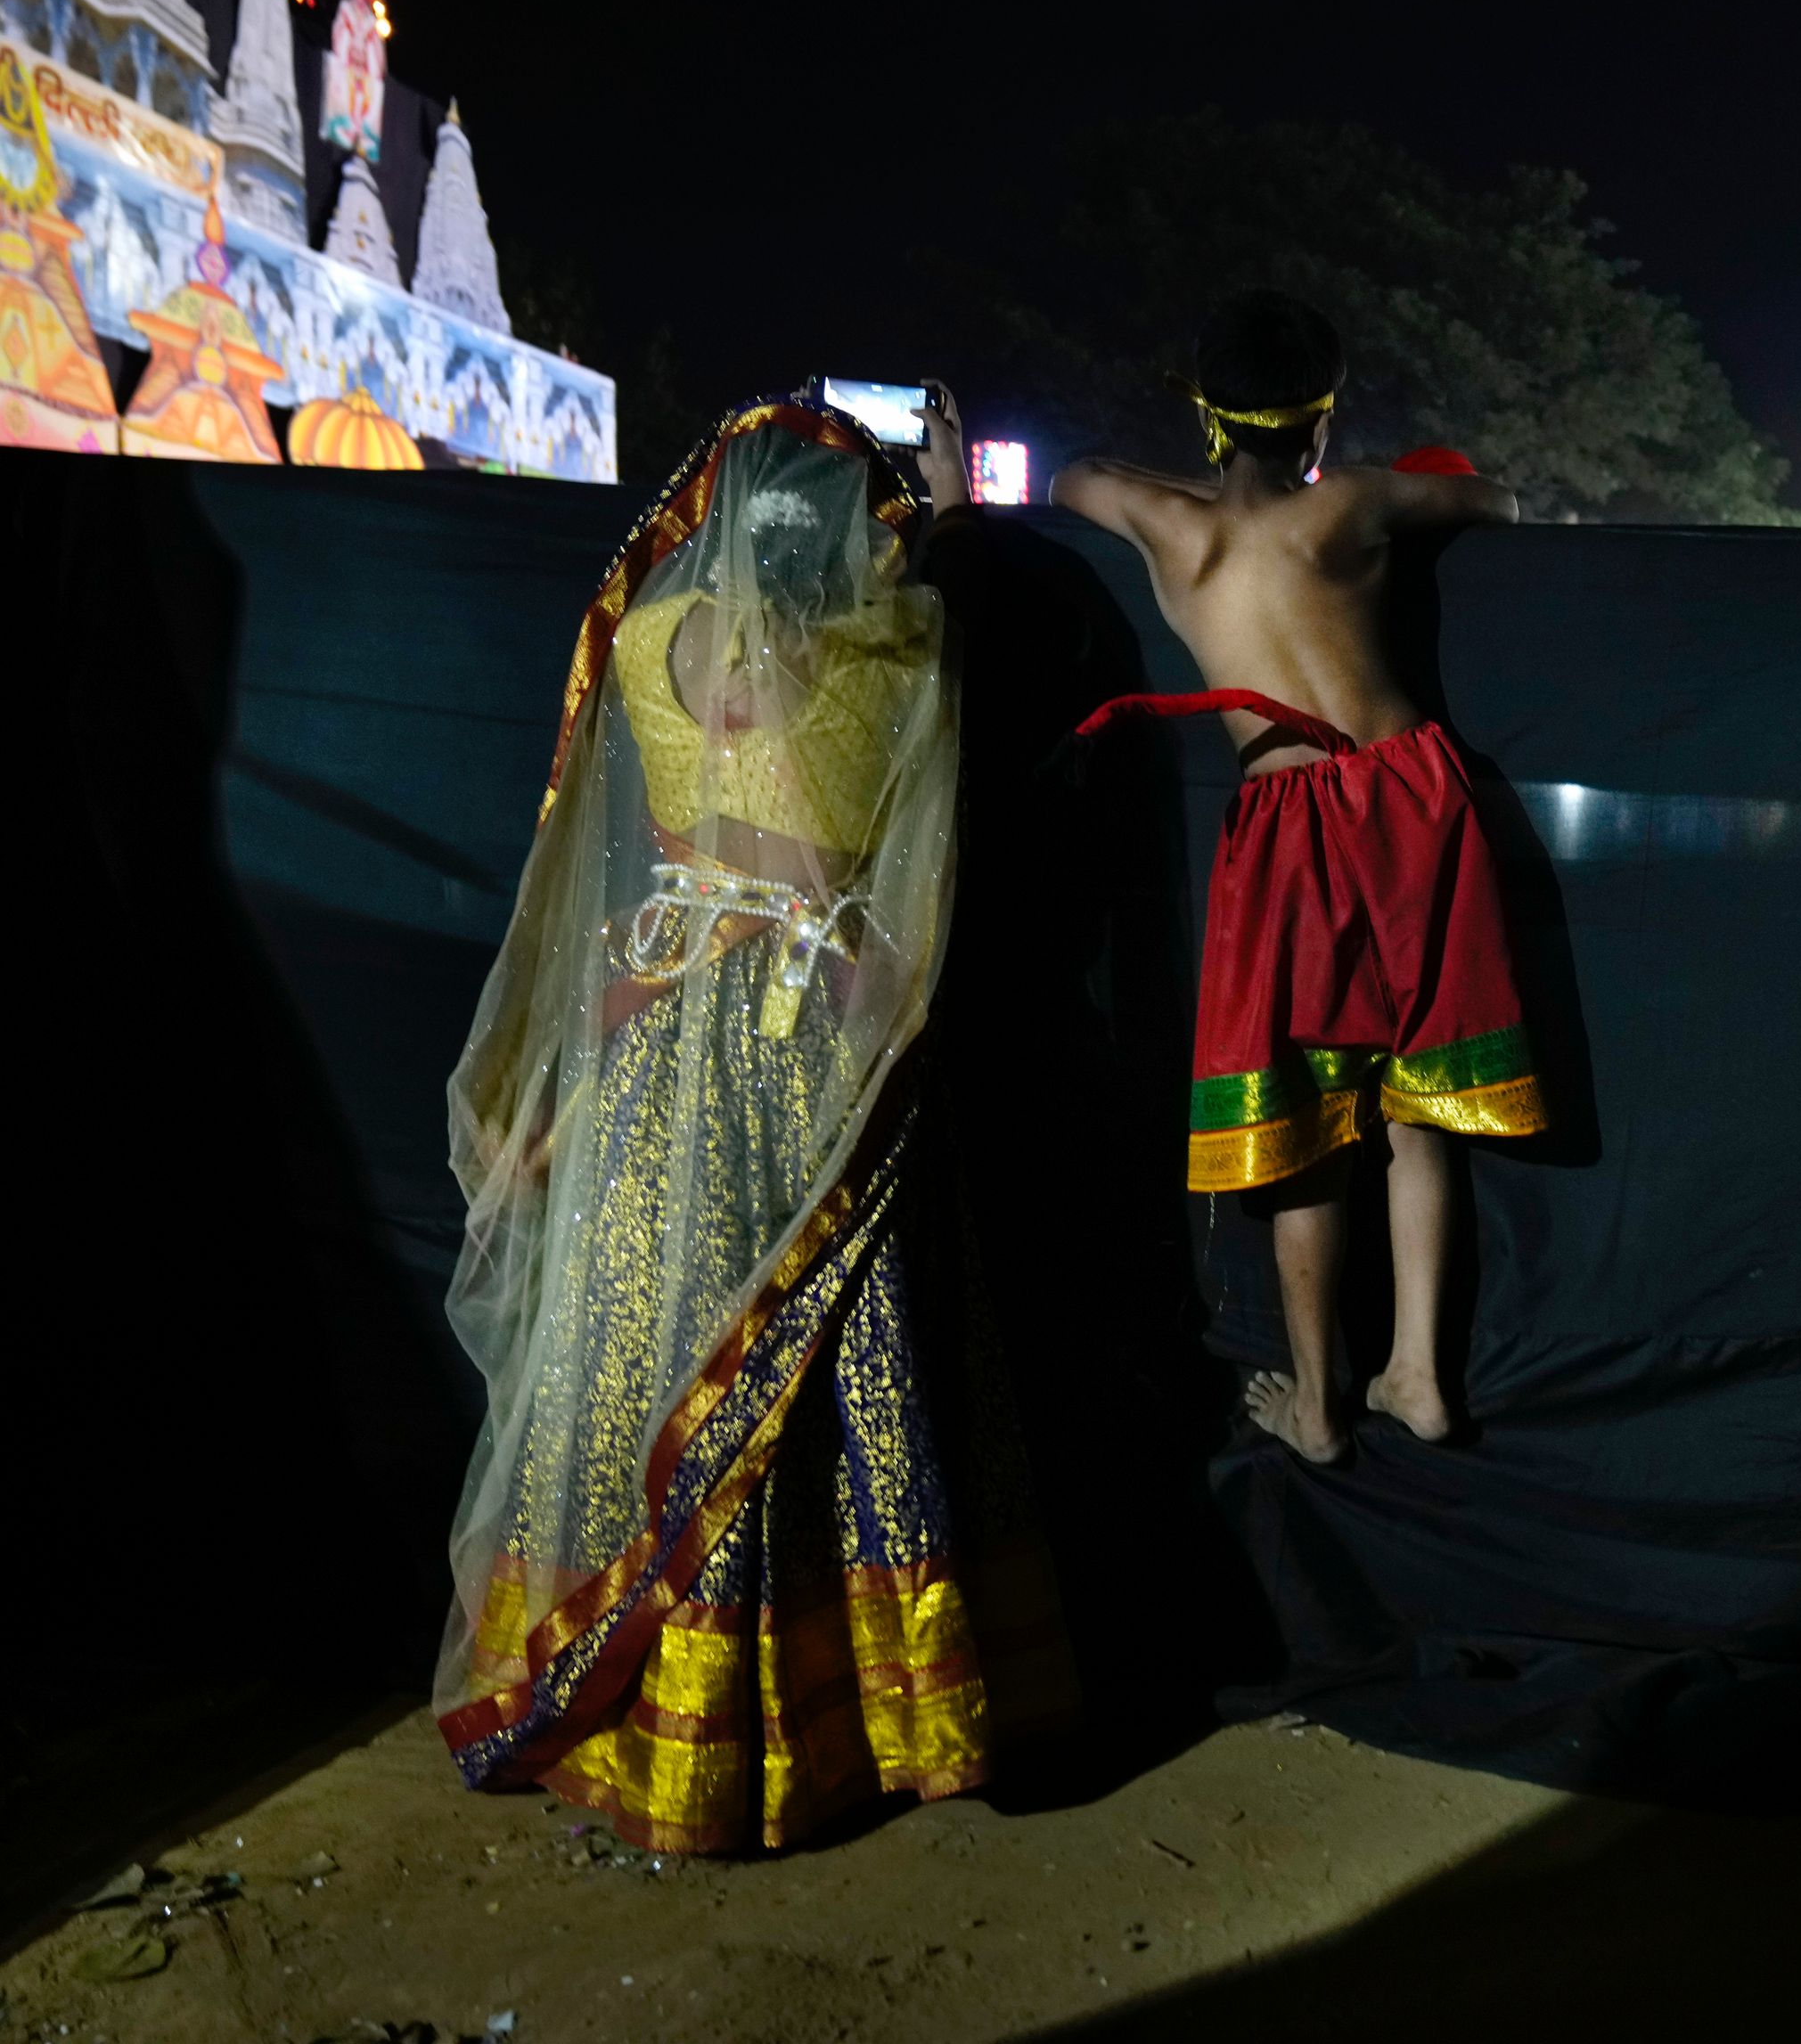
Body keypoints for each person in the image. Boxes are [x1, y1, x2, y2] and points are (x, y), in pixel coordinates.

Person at [435, 391, 1074, 1852]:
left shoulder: (652, 644)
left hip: (658, 1025)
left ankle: (644, 1705)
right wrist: (942, 500)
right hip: (810, 1042)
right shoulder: (897, 654)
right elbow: (897, 875)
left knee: (642, 1352)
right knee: (819, 1364)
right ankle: (854, 1714)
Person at [1053, 292, 1546, 1466]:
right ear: (1318, 422)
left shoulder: (1172, 529)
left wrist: (1181, 463)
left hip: (1285, 821)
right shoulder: (1361, 503)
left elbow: (1076, 477)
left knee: (1302, 1128)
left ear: (1214, 417)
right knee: (1423, 1106)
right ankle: (1419, 1373)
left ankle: (1320, 1409)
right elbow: (1499, 500)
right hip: (1413, 794)